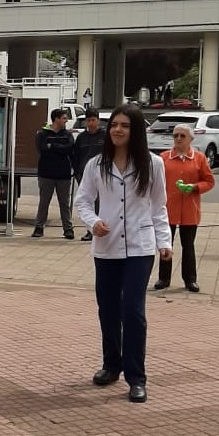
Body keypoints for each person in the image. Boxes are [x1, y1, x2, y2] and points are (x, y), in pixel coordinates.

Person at [74, 104, 172, 404]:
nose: (117, 130)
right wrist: (93, 222)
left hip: (140, 248)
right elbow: (83, 202)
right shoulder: (97, 164)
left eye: (125, 126)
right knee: (108, 309)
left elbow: (159, 206)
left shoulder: (153, 164)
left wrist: (164, 241)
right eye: (114, 124)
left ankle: (136, 377)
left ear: (136, 130)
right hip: (106, 248)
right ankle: (111, 365)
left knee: (133, 311)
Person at [153, 123, 214, 292]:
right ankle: (163, 278)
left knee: (189, 245)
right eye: (175, 136)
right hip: (167, 209)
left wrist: (194, 187)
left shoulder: (199, 158)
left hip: (189, 209)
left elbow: (209, 181)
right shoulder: (163, 158)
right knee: (166, 244)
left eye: (182, 136)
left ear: (190, 139)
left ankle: (190, 280)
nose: (178, 139)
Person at [32, 109, 75, 239]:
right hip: (46, 173)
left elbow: (69, 148)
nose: (66, 120)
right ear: (56, 119)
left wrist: (53, 146)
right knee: (44, 202)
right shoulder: (42, 134)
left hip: (64, 174)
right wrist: (57, 147)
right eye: (64, 118)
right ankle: (39, 228)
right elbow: (43, 149)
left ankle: (68, 229)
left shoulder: (67, 134)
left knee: (64, 203)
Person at [73, 108, 106, 242]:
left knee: (101, 203)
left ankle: (101, 227)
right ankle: (90, 230)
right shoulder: (81, 138)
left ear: (98, 120)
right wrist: (77, 172)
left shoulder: (105, 136)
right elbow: (75, 156)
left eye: (93, 120)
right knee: (87, 203)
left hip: (102, 175)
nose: (91, 123)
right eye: (88, 120)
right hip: (84, 175)